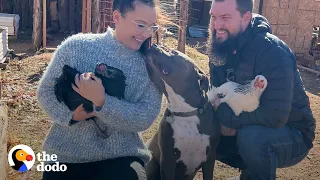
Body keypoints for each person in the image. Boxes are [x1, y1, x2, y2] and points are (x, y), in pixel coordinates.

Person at [36, 0, 164, 179]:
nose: (147, 33)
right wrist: (71, 117)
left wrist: (102, 102)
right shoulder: (76, 47)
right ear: (117, 17)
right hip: (65, 156)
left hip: (122, 158)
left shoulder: (150, 66)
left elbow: (145, 116)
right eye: (141, 25)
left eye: (152, 27)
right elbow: (45, 92)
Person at [207, 0, 316, 179]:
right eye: (213, 17)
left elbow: (275, 116)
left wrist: (230, 122)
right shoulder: (221, 45)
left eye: (225, 17)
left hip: (293, 133)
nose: (217, 25)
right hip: (243, 123)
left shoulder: (273, 52)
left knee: (252, 139)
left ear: (246, 18)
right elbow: (216, 98)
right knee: (200, 132)